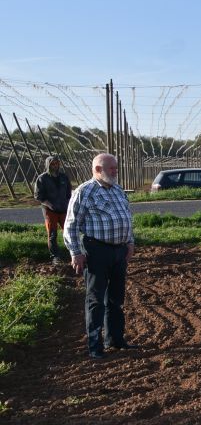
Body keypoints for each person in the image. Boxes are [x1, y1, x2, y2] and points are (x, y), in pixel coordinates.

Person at [64, 153, 136, 359]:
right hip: (96, 251)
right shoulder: (84, 192)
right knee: (96, 299)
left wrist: (130, 242)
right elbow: (71, 225)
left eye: (115, 167)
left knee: (116, 297)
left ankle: (115, 339)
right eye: (111, 168)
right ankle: (95, 345)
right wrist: (75, 253)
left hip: (119, 251)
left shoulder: (117, 189)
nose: (115, 171)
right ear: (97, 170)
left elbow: (127, 217)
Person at [34, 154, 72, 264]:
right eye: (52, 164)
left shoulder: (64, 177)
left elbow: (68, 193)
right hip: (50, 210)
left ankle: (73, 253)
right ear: (48, 165)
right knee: (52, 234)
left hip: (64, 209)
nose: (55, 165)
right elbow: (38, 195)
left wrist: (68, 204)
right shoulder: (42, 178)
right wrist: (48, 204)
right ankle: (55, 256)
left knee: (69, 232)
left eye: (56, 163)